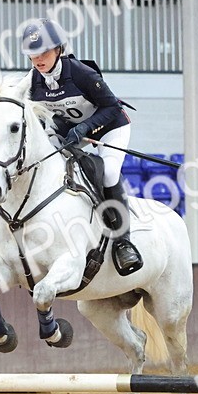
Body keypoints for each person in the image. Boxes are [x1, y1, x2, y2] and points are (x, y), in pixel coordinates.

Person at [21, 18, 142, 275]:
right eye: (33, 55)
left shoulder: (80, 73)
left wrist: (85, 128)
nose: (38, 60)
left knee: (108, 172)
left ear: (58, 49)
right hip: (71, 131)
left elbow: (112, 107)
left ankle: (123, 241)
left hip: (110, 128)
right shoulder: (33, 80)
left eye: (43, 52)